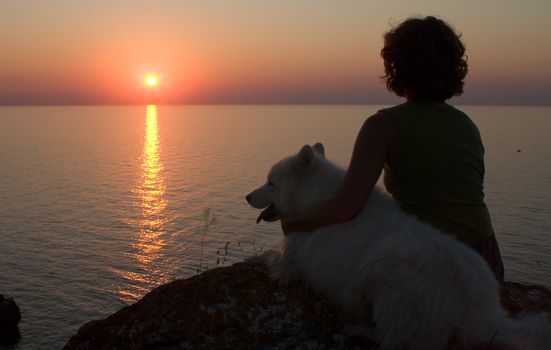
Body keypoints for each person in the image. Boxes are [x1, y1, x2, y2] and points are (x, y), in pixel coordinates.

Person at [281, 16, 505, 281]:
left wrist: (292, 224)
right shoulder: (466, 124)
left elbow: (344, 208)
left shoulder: (382, 126)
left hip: (430, 259)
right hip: (485, 260)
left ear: (396, 66)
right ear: (453, 67)